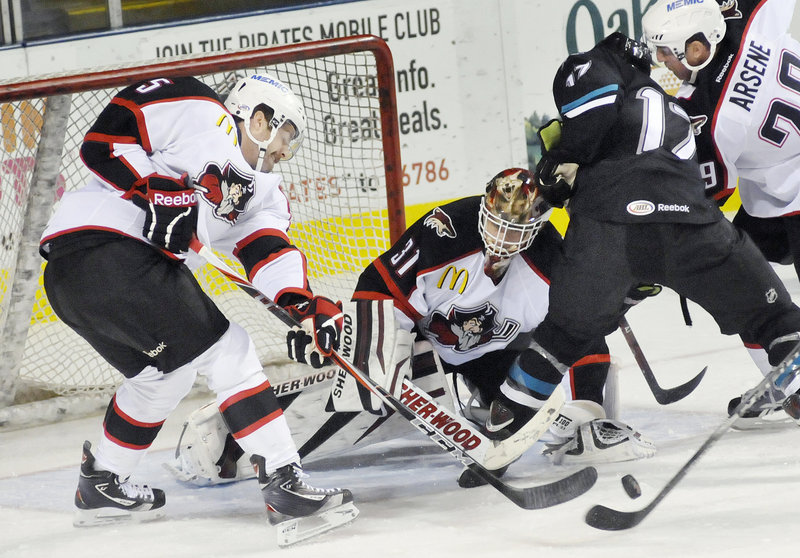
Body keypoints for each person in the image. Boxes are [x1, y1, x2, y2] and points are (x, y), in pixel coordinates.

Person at [38, 73, 358, 541]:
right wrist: (151, 187)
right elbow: (104, 140)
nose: (286, 150)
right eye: (286, 133)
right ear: (260, 117)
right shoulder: (202, 112)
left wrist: (304, 306)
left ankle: (102, 483)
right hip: (105, 247)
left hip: (75, 285)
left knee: (162, 376)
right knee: (229, 350)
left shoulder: (264, 194)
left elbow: (267, 252)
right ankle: (284, 483)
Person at [483, 31, 800, 441]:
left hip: (606, 227)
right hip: (690, 225)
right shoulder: (676, 111)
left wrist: (559, 161)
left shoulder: (587, 66)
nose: (664, 61)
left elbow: (586, 132)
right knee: (773, 318)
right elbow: (691, 191)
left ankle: (502, 425)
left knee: (560, 338)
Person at [348, 167, 656, 487]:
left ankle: (565, 422)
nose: (503, 239)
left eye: (515, 231)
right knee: (383, 378)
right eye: (498, 225)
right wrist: (376, 352)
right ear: (485, 209)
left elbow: (583, 330)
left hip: (490, 355)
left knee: (524, 415)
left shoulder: (548, 260)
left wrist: (624, 300)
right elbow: (378, 286)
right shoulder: (445, 232)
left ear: (535, 228)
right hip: (422, 345)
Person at [642, 0, 800, 424]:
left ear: (697, 48)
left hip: (791, 198)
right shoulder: (748, 19)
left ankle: (789, 378)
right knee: (739, 274)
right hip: (776, 201)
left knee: (733, 275)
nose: (661, 60)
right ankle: (782, 379)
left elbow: (702, 192)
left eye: (667, 51)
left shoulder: (713, 116)